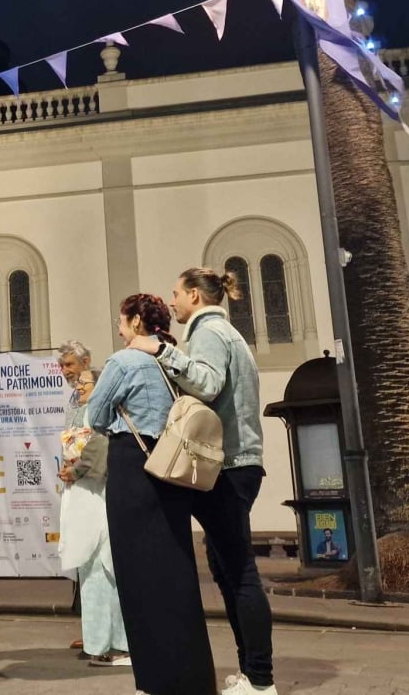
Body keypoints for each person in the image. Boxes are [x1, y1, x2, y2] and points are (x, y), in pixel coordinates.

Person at [130, 267, 276, 695]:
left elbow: (209, 384)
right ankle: (250, 673)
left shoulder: (210, 332)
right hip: (238, 464)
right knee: (228, 569)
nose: (171, 301)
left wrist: (160, 350)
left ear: (194, 295)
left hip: (228, 467)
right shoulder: (224, 333)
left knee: (239, 572)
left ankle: (261, 680)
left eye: (175, 293)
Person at [86, 293, 215, 695]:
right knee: (176, 571)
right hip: (173, 468)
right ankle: (191, 677)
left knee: (137, 576)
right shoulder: (172, 360)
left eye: (122, 322)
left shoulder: (123, 361)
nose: (120, 329)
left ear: (138, 321)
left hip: (133, 467)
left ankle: (154, 680)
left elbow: (97, 415)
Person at [55, 342, 128, 668]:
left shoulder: (101, 402)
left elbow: (98, 442)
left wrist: (79, 468)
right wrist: (69, 467)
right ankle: (98, 636)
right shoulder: (76, 402)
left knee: (103, 565)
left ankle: (113, 643)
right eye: (64, 368)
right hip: (84, 492)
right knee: (90, 565)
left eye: (73, 367)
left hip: (98, 493)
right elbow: (78, 439)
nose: (69, 375)